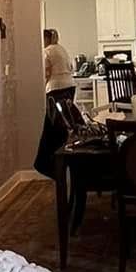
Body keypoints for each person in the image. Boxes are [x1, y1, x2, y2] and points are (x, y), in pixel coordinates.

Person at [35, 29, 78, 178]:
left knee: (53, 127)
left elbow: (46, 73)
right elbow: (71, 67)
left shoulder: (47, 51)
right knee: (65, 124)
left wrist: (42, 88)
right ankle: (65, 163)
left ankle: (53, 164)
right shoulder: (61, 49)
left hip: (56, 89)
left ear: (45, 39)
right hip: (70, 86)